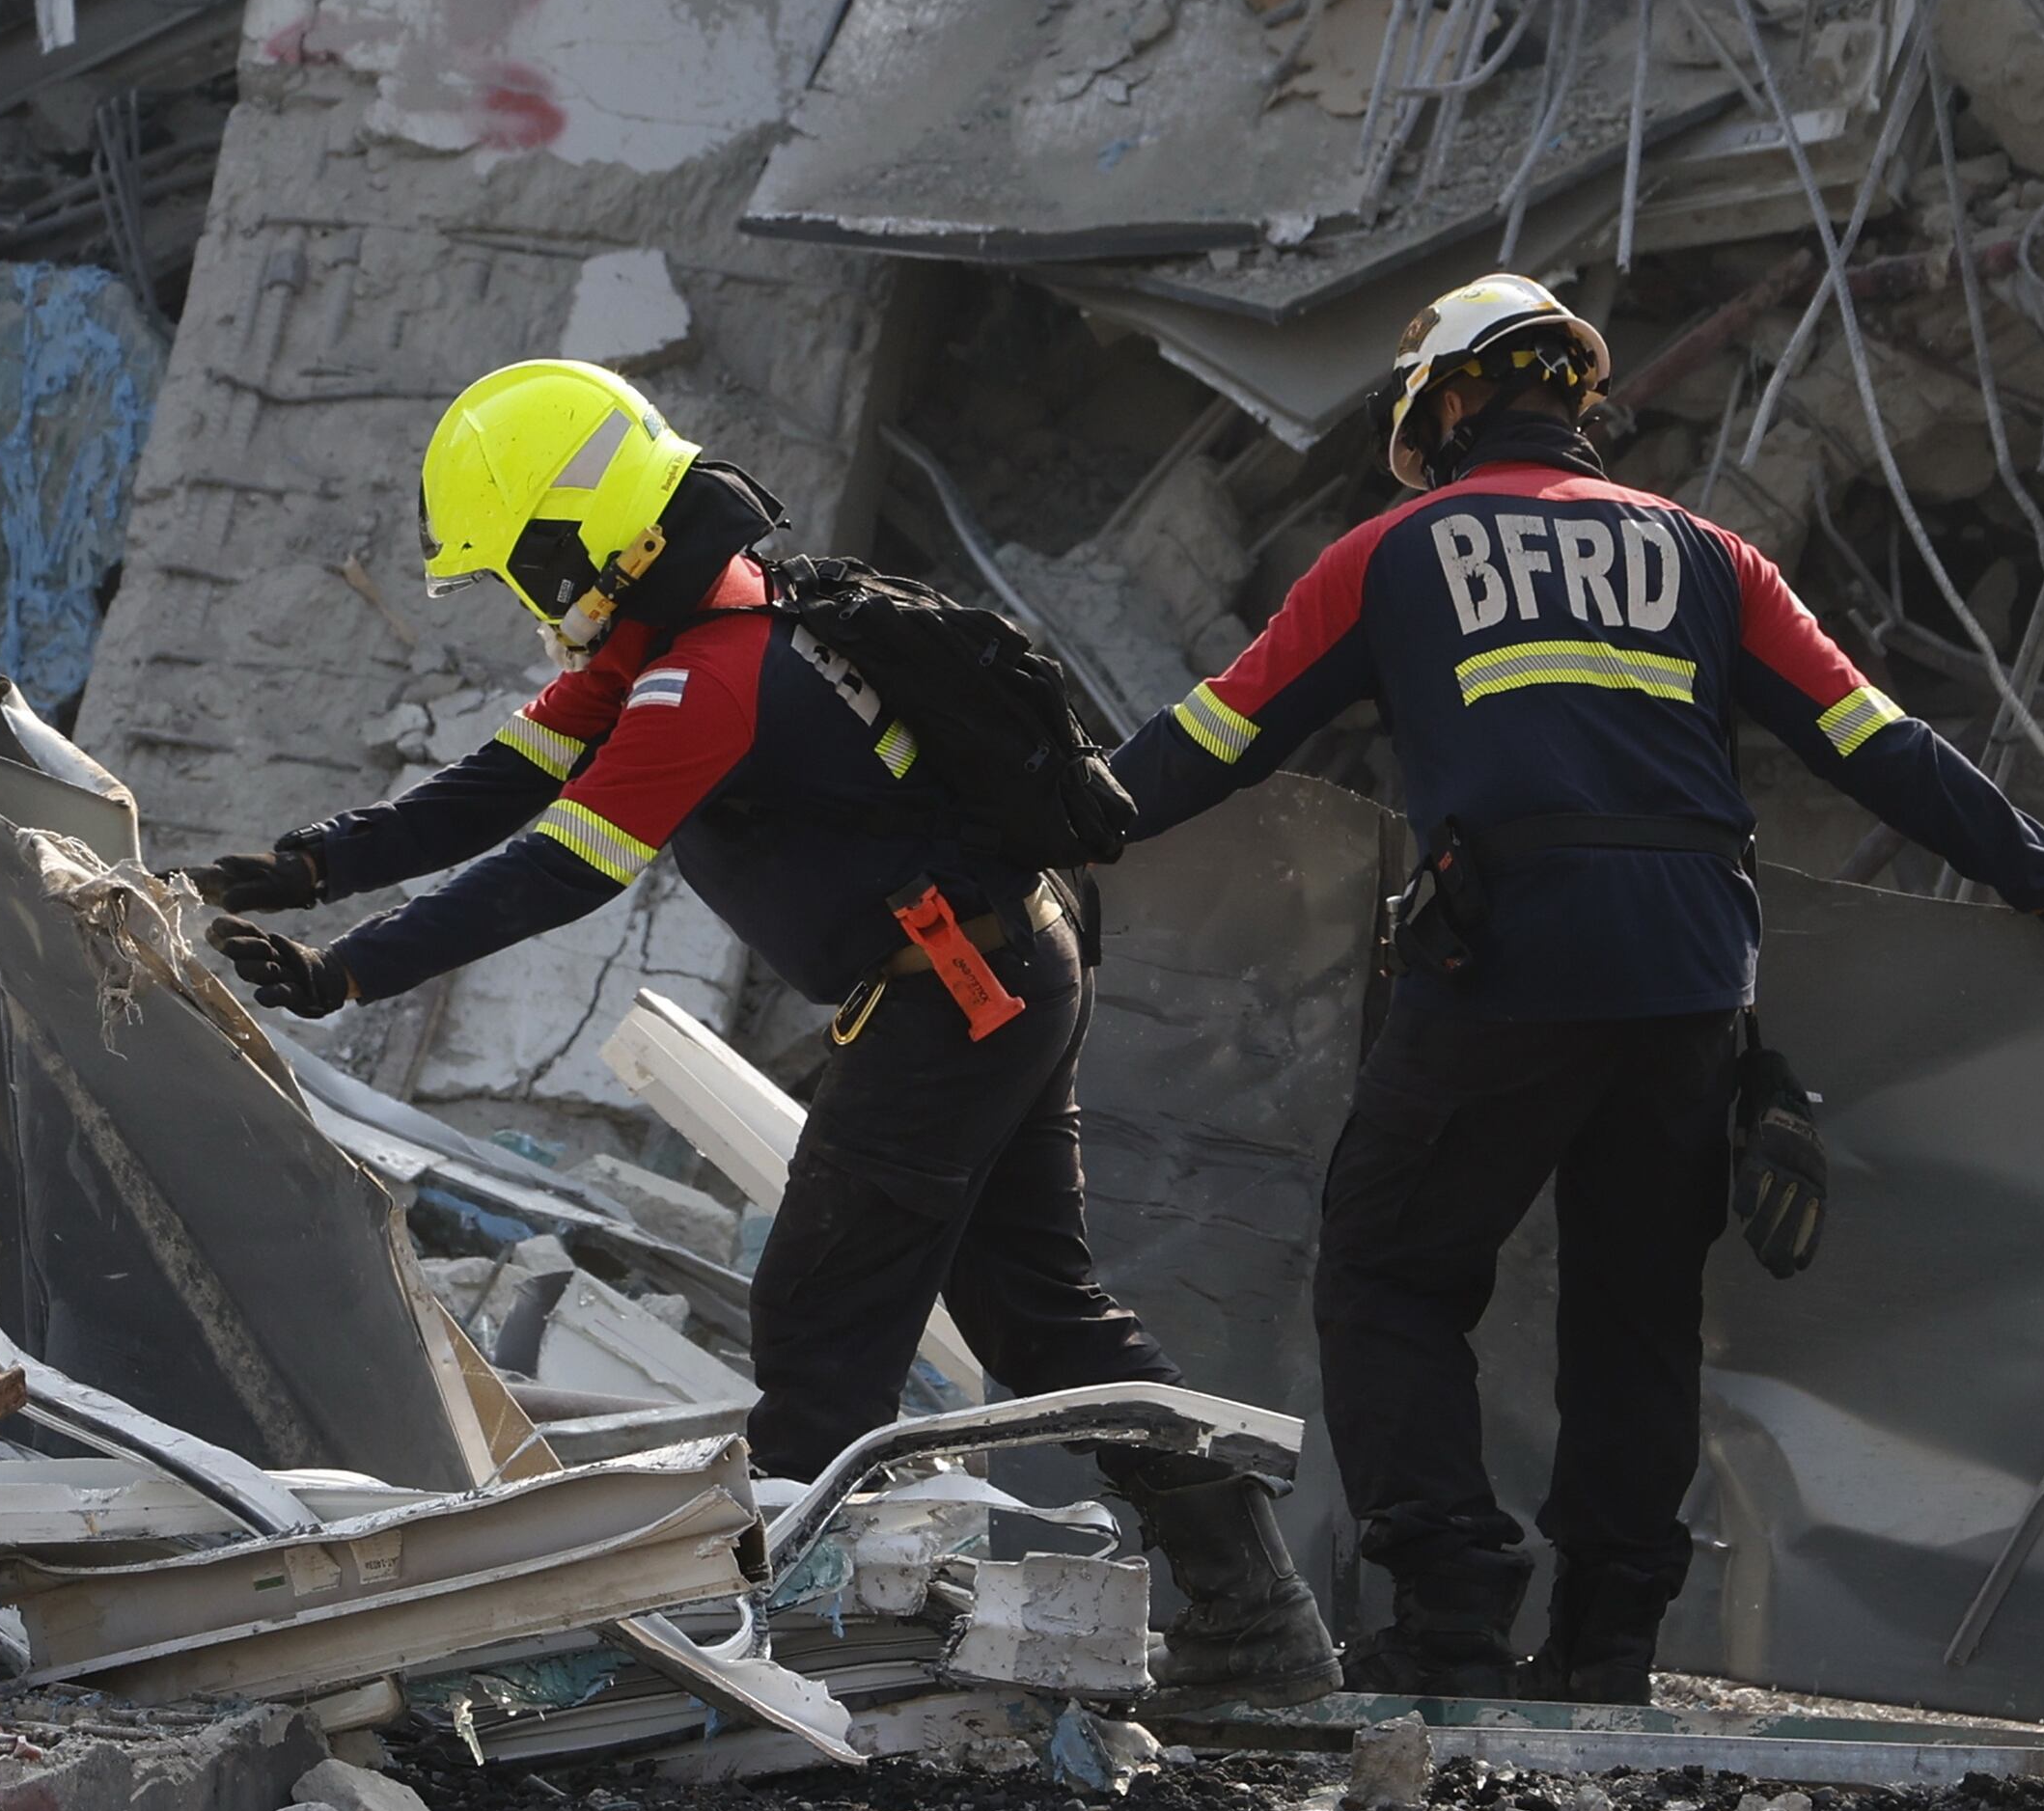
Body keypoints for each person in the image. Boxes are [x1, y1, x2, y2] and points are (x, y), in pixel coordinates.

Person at [188, 358, 1340, 1705]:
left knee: (821, 1317)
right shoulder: (704, 628)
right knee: (1037, 1315)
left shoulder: (709, 680)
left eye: (521, 568)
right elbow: (497, 785)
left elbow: (561, 863)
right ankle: (1258, 1619)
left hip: (956, 992)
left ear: (582, 544)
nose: (526, 602)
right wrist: (312, 864)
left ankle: (788, 1648)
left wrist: (348, 973)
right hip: (1002, 961)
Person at [1104, 271, 2044, 1701]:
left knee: (1389, 1267)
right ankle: (1607, 1639)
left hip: (1507, 961)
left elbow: (1213, 735)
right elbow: (1881, 744)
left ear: (1454, 403)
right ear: (1572, 398)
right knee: (1637, 1306)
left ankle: (1453, 1602)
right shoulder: (1714, 558)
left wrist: (1052, 823)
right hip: (1692, 977)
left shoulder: (1391, 553)